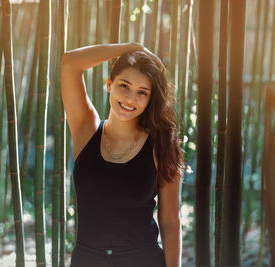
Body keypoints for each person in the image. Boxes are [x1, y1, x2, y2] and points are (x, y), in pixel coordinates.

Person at [61, 43, 184, 267]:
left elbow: (169, 221)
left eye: (142, 92)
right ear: (109, 83)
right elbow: (70, 63)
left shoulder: (160, 145)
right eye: (124, 86)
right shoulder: (85, 130)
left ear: (150, 99)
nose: (130, 98)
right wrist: (131, 47)